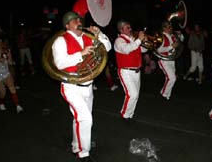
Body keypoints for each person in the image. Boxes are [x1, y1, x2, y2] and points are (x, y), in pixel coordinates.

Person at [52, 11, 111, 162]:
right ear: (67, 26)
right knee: (85, 118)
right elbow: (59, 63)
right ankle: (83, 153)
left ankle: (76, 144)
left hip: (88, 85)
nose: (79, 22)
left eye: (79, 20)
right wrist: (81, 54)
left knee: (79, 118)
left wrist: (100, 34)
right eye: (74, 21)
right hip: (71, 86)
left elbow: (108, 48)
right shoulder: (60, 40)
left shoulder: (88, 37)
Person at [114, 20, 147, 122]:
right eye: (127, 28)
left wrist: (144, 42)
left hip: (136, 71)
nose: (130, 29)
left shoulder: (133, 39)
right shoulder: (119, 40)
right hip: (125, 71)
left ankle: (129, 115)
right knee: (132, 94)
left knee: (135, 95)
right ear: (121, 29)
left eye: (130, 27)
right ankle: (125, 115)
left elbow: (143, 50)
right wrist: (138, 41)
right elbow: (126, 49)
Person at [0, 38, 24, 113]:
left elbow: (10, 63)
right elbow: (1, 60)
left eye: (1, 42)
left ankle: (17, 105)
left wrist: (9, 55)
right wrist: (6, 55)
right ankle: (1, 102)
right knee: (3, 92)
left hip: (6, 73)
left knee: (12, 89)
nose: (0, 43)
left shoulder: (6, 52)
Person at [156, 20, 179, 100]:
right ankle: (163, 93)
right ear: (164, 28)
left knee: (169, 78)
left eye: (171, 27)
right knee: (172, 78)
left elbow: (180, 42)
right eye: (168, 27)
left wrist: (180, 37)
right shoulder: (161, 37)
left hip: (172, 60)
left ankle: (167, 95)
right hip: (164, 60)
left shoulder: (172, 36)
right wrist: (171, 46)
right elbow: (159, 50)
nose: (171, 28)